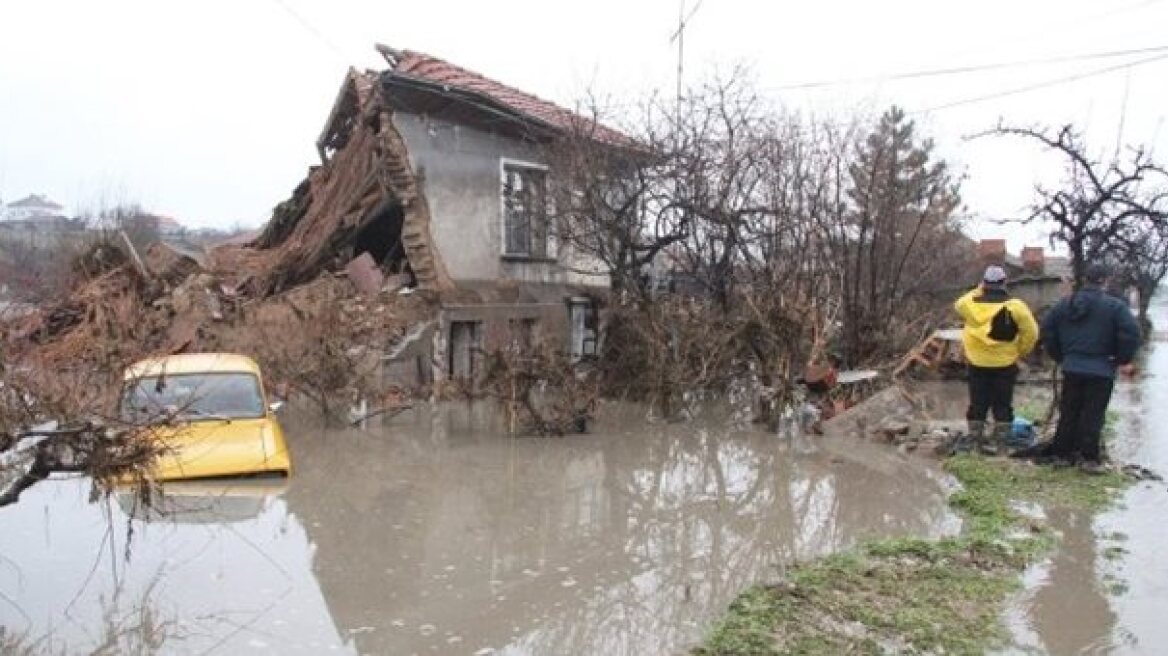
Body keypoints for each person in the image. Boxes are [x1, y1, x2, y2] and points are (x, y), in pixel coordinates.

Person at [1029, 263, 1141, 473]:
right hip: (1101, 369)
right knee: (1093, 414)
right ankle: (1088, 459)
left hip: (1072, 367)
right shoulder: (1115, 307)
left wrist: (1061, 356)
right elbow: (1131, 334)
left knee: (1069, 411)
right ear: (1104, 281)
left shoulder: (1064, 305)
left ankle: (1062, 455)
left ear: (1085, 280)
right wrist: (1121, 359)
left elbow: (1047, 330)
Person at [952, 265, 1039, 454]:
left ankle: (976, 443)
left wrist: (978, 288)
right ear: (1004, 282)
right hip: (1005, 363)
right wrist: (1020, 351)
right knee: (1003, 405)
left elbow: (958, 303)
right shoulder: (1016, 306)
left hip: (977, 363)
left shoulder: (969, 304)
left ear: (984, 283)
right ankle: (1001, 447)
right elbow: (1031, 333)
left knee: (977, 403)